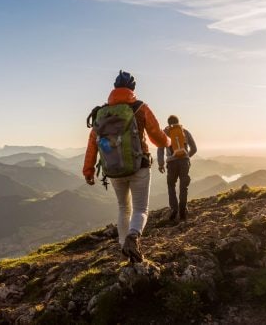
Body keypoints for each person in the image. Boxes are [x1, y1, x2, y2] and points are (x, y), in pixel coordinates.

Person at [83, 70, 170, 262]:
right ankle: (134, 236)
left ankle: (124, 249)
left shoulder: (102, 113)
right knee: (140, 209)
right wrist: (169, 142)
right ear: (133, 89)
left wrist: (88, 170)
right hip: (140, 166)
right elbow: (158, 137)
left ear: (114, 89)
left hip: (113, 170)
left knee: (123, 207)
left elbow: (92, 143)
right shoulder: (140, 108)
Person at [157, 115, 197, 221]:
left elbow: (160, 149)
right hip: (184, 162)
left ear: (168, 123)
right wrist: (187, 156)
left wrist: (161, 164)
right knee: (184, 187)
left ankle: (174, 209)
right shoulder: (184, 132)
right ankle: (182, 209)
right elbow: (194, 148)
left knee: (171, 185)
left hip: (171, 163)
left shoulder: (165, 133)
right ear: (178, 122)